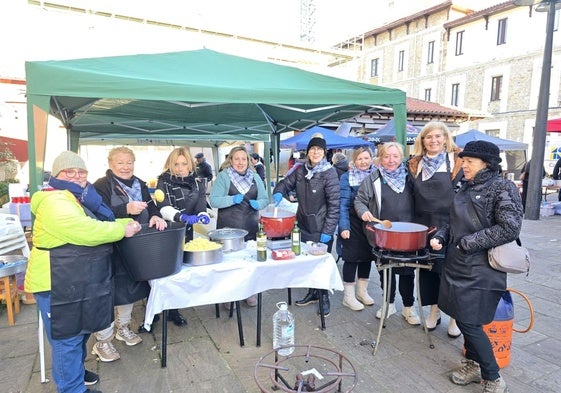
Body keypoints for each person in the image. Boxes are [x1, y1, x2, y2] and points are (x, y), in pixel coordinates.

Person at [24, 151, 141, 393]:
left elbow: (99, 223)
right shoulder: (54, 200)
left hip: (74, 277)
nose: (77, 176)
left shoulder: (77, 198)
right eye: (70, 171)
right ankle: (71, 388)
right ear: (56, 175)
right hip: (54, 281)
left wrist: (123, 223)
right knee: (66, 338)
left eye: (82, 172)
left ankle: (73, 373)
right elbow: (85, 231)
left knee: (80, 331)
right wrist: (122, 230)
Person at [430, 141, 522, 393]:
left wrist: (468, 243)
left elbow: (510, 227)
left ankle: (493, 377)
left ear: (487, 163)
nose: (464, 164)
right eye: (463, 159)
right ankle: (472, 365)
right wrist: (441, 236)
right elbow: (453, 222)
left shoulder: (503, 187)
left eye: (469, 160)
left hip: (482, 267)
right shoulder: (464, 185)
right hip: (457, 263)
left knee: (470, 321)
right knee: (460, 316)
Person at [91, 147, 167, 362]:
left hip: (135, 246)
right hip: (109, 247)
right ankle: (102, 341)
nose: (125, 167)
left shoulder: (140, 184)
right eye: (120, 163)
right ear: (110, 164)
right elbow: (97, 215)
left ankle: (122, 328)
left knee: (130, 289)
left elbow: (152, 207)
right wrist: (126, 209)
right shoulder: (101, 186)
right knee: (108, 293)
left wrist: (156, 217)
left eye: (129, 162)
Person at [273, 135, 340, 316]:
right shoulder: (300, 170)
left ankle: (324, 297)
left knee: (321, 264)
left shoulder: (329, 173)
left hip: (321, 227)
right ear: (308, 151)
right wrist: (279, 192)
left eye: (319, 149)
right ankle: (312, 293)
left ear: (324, 152)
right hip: (302, 225)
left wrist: (328, 231)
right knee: (307, 263)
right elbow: (284, 183)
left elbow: (335, 205)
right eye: (313, 149)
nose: (316, 152)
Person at [407, 121, 464, 337]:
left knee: (450, 273)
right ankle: (434, 310)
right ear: (422, 141)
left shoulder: (457, 162)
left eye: (438, 136)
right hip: (423, 225)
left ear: (445, 139)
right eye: (429, 137)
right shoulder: (414, 164)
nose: (434, 140)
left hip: (451, 226)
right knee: (428, 272)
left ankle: (454, 317)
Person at [354, 143, 420, 325]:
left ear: (401, 158)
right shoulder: (373, 178)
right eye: (386, 157)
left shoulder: (411, 177)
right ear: (380, 159)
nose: (391, 161)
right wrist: (363, 212)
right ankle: (388, 304)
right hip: (384, 233)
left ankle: (408, 307)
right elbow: (359, 200)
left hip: (408, 234)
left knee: (407, 271)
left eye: (395, 156)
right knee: (385, 270)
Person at [156, 147, 210, 324]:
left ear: (190, 164)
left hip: (186, 232)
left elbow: (202, 205)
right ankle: (156, 309)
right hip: (166, 231)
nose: (180, 168)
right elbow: (163, 207)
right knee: (162, 273)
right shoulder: (163, 181)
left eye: (184, 164)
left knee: (180, 272)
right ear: (170, 165)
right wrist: (181, 216)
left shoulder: (198, 182)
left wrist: (204, 216)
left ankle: (174, 310)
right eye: (176, 164)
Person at [209, 145, 268, 306]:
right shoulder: (224, 176)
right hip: (228, 230)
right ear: (231, 160)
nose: (240, 162)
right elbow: (214, 200)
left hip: (251, 227)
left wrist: (259, 203)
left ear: (248, 161)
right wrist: (231, 199)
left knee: (250, 263)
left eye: (244, 159)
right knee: (229, 265)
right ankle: (229, 296)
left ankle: (250, 292)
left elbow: (265, 198)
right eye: (237, 159)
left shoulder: (255, 177)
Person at [336, 147, 375, 311]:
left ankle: (362, 292)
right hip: (351, 222)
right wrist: (343, 226)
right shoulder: (346, 177)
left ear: (371, 159)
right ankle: (349, 296)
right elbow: (343, 204)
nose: (363, 162)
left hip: (370, 224)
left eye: (366, 158)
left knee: (367, 257)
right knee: (351, 258)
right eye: (360, 159)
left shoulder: (376, 176)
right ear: (355, 160)